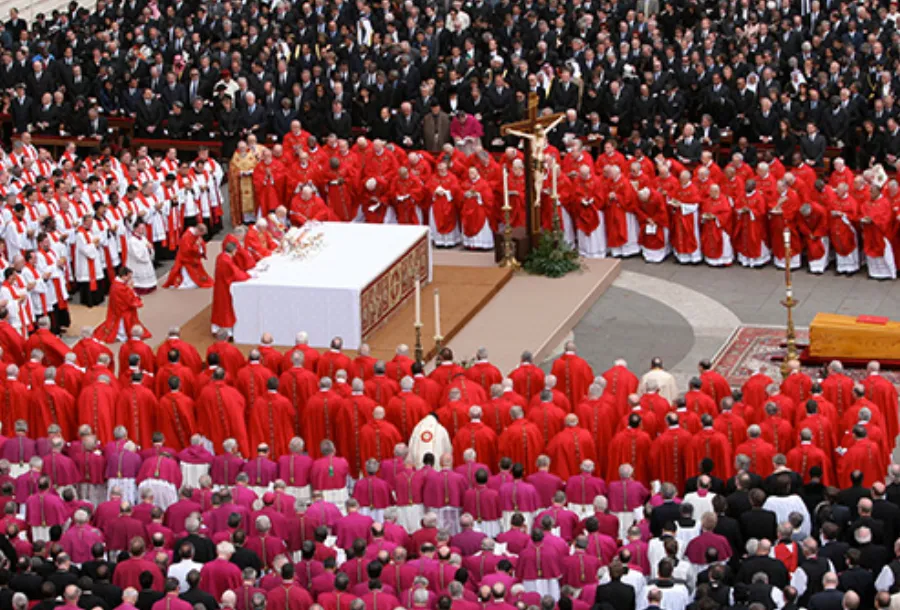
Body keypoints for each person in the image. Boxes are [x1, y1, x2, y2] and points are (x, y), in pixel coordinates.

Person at [93, 267, 150, 344]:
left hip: (117, 309)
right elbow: (129, 300)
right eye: (129, 277)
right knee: (123, 324)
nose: (130, 279)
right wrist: (131, 290)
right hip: (122, 311)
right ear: (123, 276)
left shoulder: (116, 283)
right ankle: (121, 336)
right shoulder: (120, 288)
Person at [211, 240, 253, 337]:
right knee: (225, 308)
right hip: (224, 287)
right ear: (233, 251)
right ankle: (227, 331)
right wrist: (247, 275)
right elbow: (235, 274)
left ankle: (216, 327)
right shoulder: (226, 261)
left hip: (220, 286)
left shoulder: (221, 256)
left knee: (219, 307)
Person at [162, 224, 213, 289]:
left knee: (201, 274)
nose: (201, 236)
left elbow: (201, 244)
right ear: (198, 230)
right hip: (186, 259)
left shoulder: (197, 235)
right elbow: (186, 251)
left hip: (193, 259)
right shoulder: (186, 237)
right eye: (201, 234)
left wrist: (200, 248)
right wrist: (197, 245)